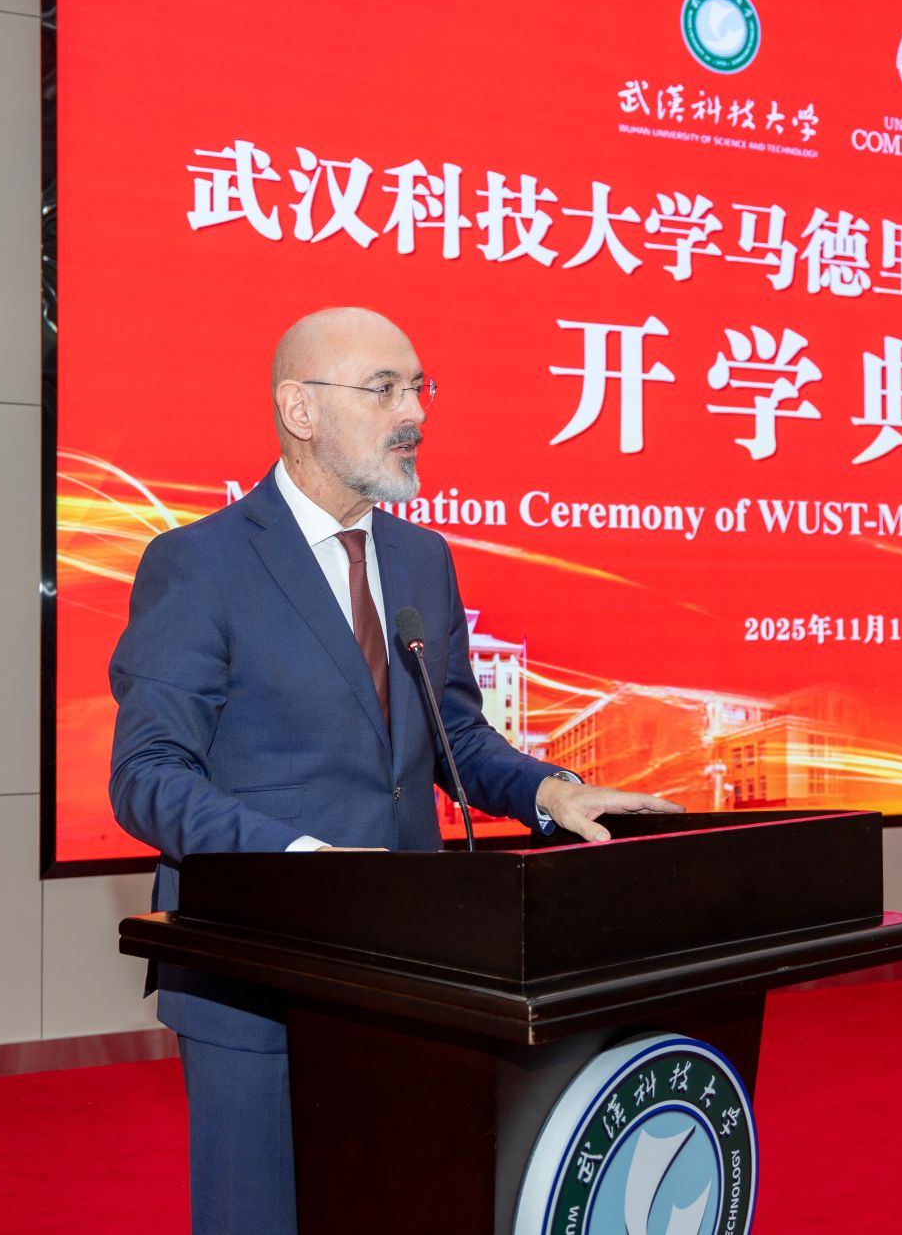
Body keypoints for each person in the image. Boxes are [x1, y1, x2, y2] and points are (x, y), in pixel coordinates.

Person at [107, 306, 683, 1234]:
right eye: (383, 389)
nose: (413, 412)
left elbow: (454, 736)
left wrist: (550, 791)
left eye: (419, 387)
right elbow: (148, 774)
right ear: (299, 409)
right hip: (257, 972)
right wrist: (299, 862)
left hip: (410, 969)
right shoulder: (199, 564)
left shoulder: (422, 558)